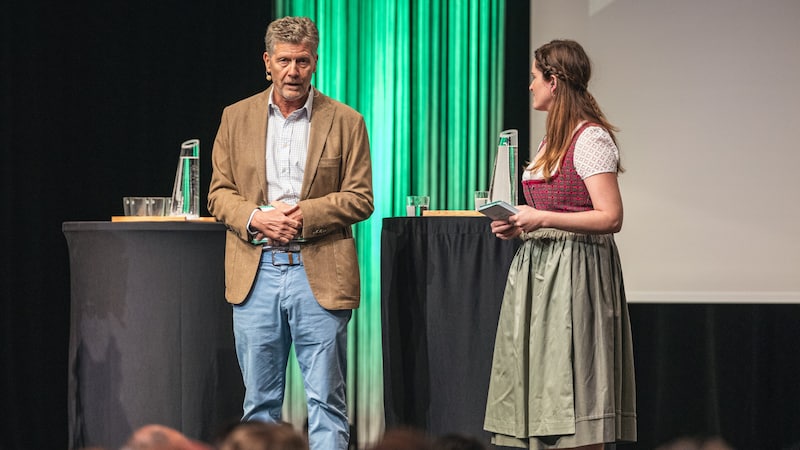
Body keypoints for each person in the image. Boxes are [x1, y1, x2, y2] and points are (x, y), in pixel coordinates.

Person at [207, 16, 374, 450]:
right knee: (259, 405)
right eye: (284, 61)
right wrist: (255, 217)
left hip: (317, 272)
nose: (293, 71)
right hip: (255, 273)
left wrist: (301, 215)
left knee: (326, 403)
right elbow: (219, 194)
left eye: (302, 61)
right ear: (268, 62)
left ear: (315, 62)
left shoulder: (346, 121)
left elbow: (360, 197)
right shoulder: (235, 117)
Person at [483, 39, 637, 449]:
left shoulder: (590, 139)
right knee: (543, 385)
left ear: (554, 81)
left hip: (576, 272)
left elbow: (611, 216)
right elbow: (553, 208)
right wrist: (519, 225)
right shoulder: (549, 140)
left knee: (575, 386)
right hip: (539, 270)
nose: (530, 87)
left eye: (535, 78)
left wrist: (541, 218)